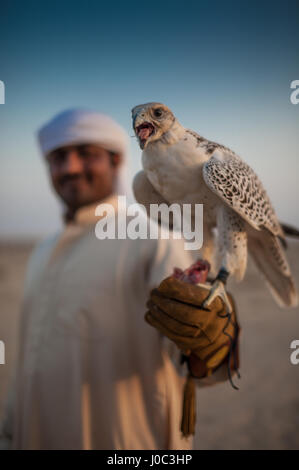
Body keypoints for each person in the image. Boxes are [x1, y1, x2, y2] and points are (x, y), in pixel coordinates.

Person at [0, 109, 240, 450]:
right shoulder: (42, 251)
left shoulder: (153, 241)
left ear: (115, 161)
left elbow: (199, 360)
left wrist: (217, 338)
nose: (70, 167)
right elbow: (28, 363)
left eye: (86, 154)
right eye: (58, 157)